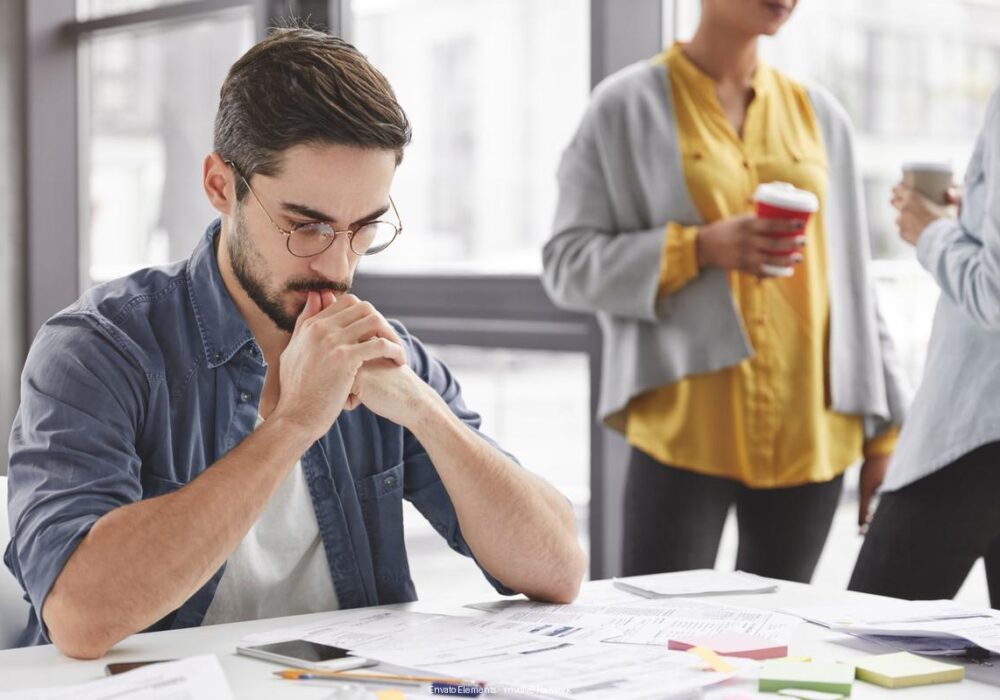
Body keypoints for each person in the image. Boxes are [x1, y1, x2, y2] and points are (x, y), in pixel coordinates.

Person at [4, 27, 585, 659]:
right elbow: (80, 617)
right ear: (220, 185)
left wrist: (424, 410)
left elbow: (557, 569)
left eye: (363, 227)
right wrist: (296, 421)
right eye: (305, 225)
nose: (338, 265)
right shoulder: (99, 350)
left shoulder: (384, 355)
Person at [542, 0, 908, 582]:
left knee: (773, 652)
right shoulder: (624, 107)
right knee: (658, 648)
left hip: (810, 435)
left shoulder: (822, 115)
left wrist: (887, 436)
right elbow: (565, 264)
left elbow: (855, 287)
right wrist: (698, 249)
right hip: (685, 434)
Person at [849, 84, 1000, 605]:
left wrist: (930, 231)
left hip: (975, 431)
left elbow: (995, 292)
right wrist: (972, 222)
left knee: (863, 652)